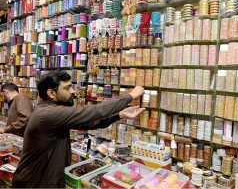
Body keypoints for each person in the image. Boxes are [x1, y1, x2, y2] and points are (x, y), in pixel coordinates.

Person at [12, 70, 145, 188]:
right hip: (33, 183)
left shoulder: (52, 112)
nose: (73, 91)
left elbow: (89, 123)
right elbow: (94, 111)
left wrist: (121, 114)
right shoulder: (46, 114)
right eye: (67, 88)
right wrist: (131, 96)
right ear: (51, 93)